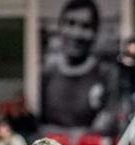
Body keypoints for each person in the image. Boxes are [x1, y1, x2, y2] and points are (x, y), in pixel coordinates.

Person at [41, 0, 119, 134]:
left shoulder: (105, 74)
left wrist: (84, 136)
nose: (76, 34)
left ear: (95, 31)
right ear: (60, 27)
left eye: (85, 26)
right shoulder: (47, 73)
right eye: (70, 23)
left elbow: (108, 120)